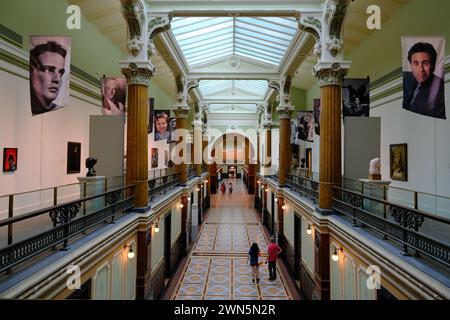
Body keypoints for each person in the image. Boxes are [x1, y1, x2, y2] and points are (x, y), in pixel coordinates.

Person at [403, 42, 445, 119]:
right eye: (416, 63)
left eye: (426, 63)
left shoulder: (440, 90)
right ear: (411, 64)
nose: (421, 69)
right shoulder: (406, 77)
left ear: (433, 65)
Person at [30, 41, 67, 115]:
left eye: (61, 73)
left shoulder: (62, 112)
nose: (57, 79)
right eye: (48, 70)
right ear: (31, 71)